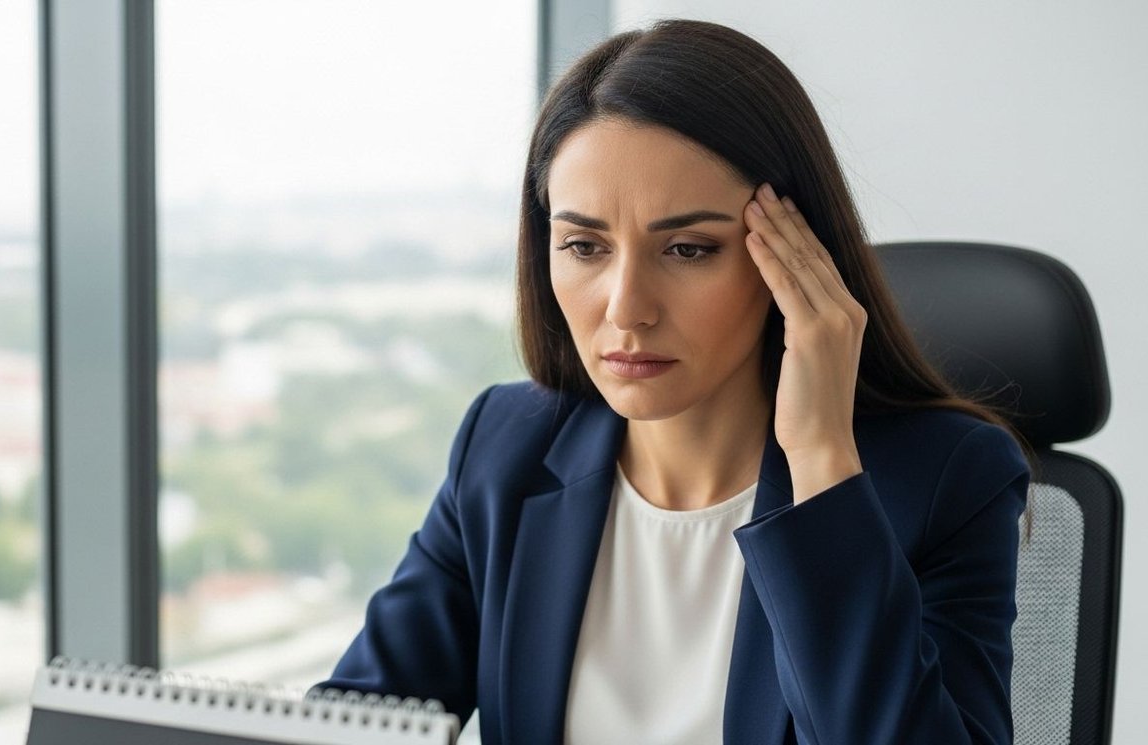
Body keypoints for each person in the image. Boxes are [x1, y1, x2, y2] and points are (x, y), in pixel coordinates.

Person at [311, 18, 1037, 745]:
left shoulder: (943, 481)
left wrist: (820, 461)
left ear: (794, 256)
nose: (627, 307)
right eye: (585, 246)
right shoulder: (506, 451)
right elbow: (348, 724)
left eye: (688, 248)